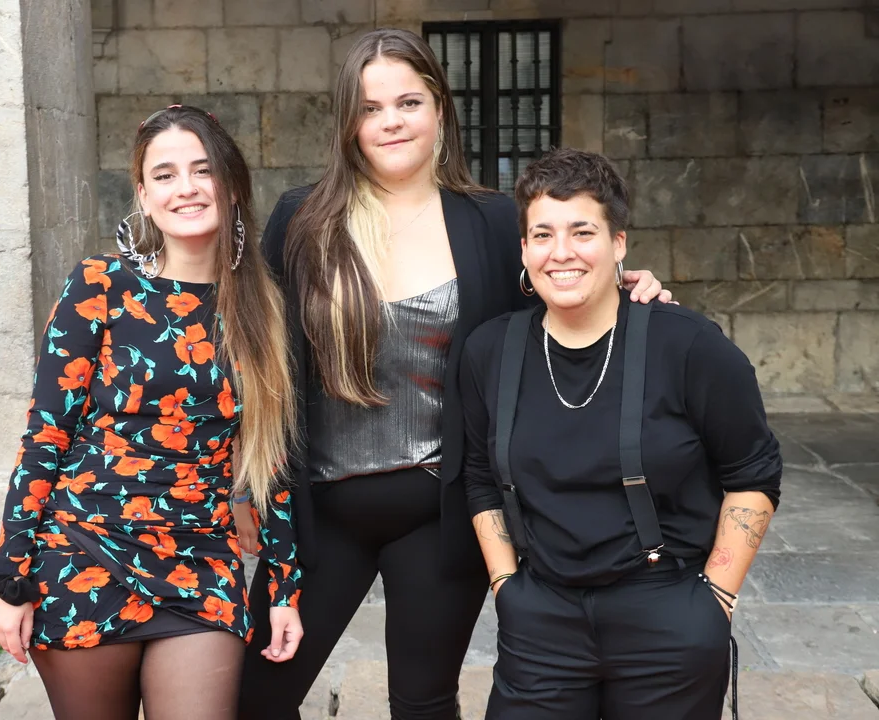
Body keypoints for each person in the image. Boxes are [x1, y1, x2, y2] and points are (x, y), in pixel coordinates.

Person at [236, 29, 671, 720]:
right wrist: (247, 486)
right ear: (349, 121)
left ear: (439, 107)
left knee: (424, 703)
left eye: (408, 102)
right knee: (253, 699)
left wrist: (622, 288)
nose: (391, 121)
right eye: (371, 107)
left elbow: (555, 302)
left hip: (439, 518)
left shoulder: (492, 221)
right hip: (321, 515)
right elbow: (263, 363)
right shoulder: (302, 219)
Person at [0, 105, 303, 720]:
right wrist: (9, 577)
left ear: (231, 185)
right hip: (83, 551)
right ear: (145, 197)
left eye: (203, 170)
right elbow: (45, 435)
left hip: (202, 563)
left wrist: (283, 587)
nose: (187, 188)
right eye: (165, 175)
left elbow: (270, 459)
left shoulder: (263, 307)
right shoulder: (100, 284)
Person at [459, 147, 782, 719]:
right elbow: (481, 477)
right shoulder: (491, 350)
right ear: (524, 250)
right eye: (542, 235)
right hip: (540, 621)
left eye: (583, 232)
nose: (561, 252)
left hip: (666, 614)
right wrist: (506, 584)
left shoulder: (688, 345)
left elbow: (753, 472)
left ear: (619, 243)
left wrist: (716, 596)